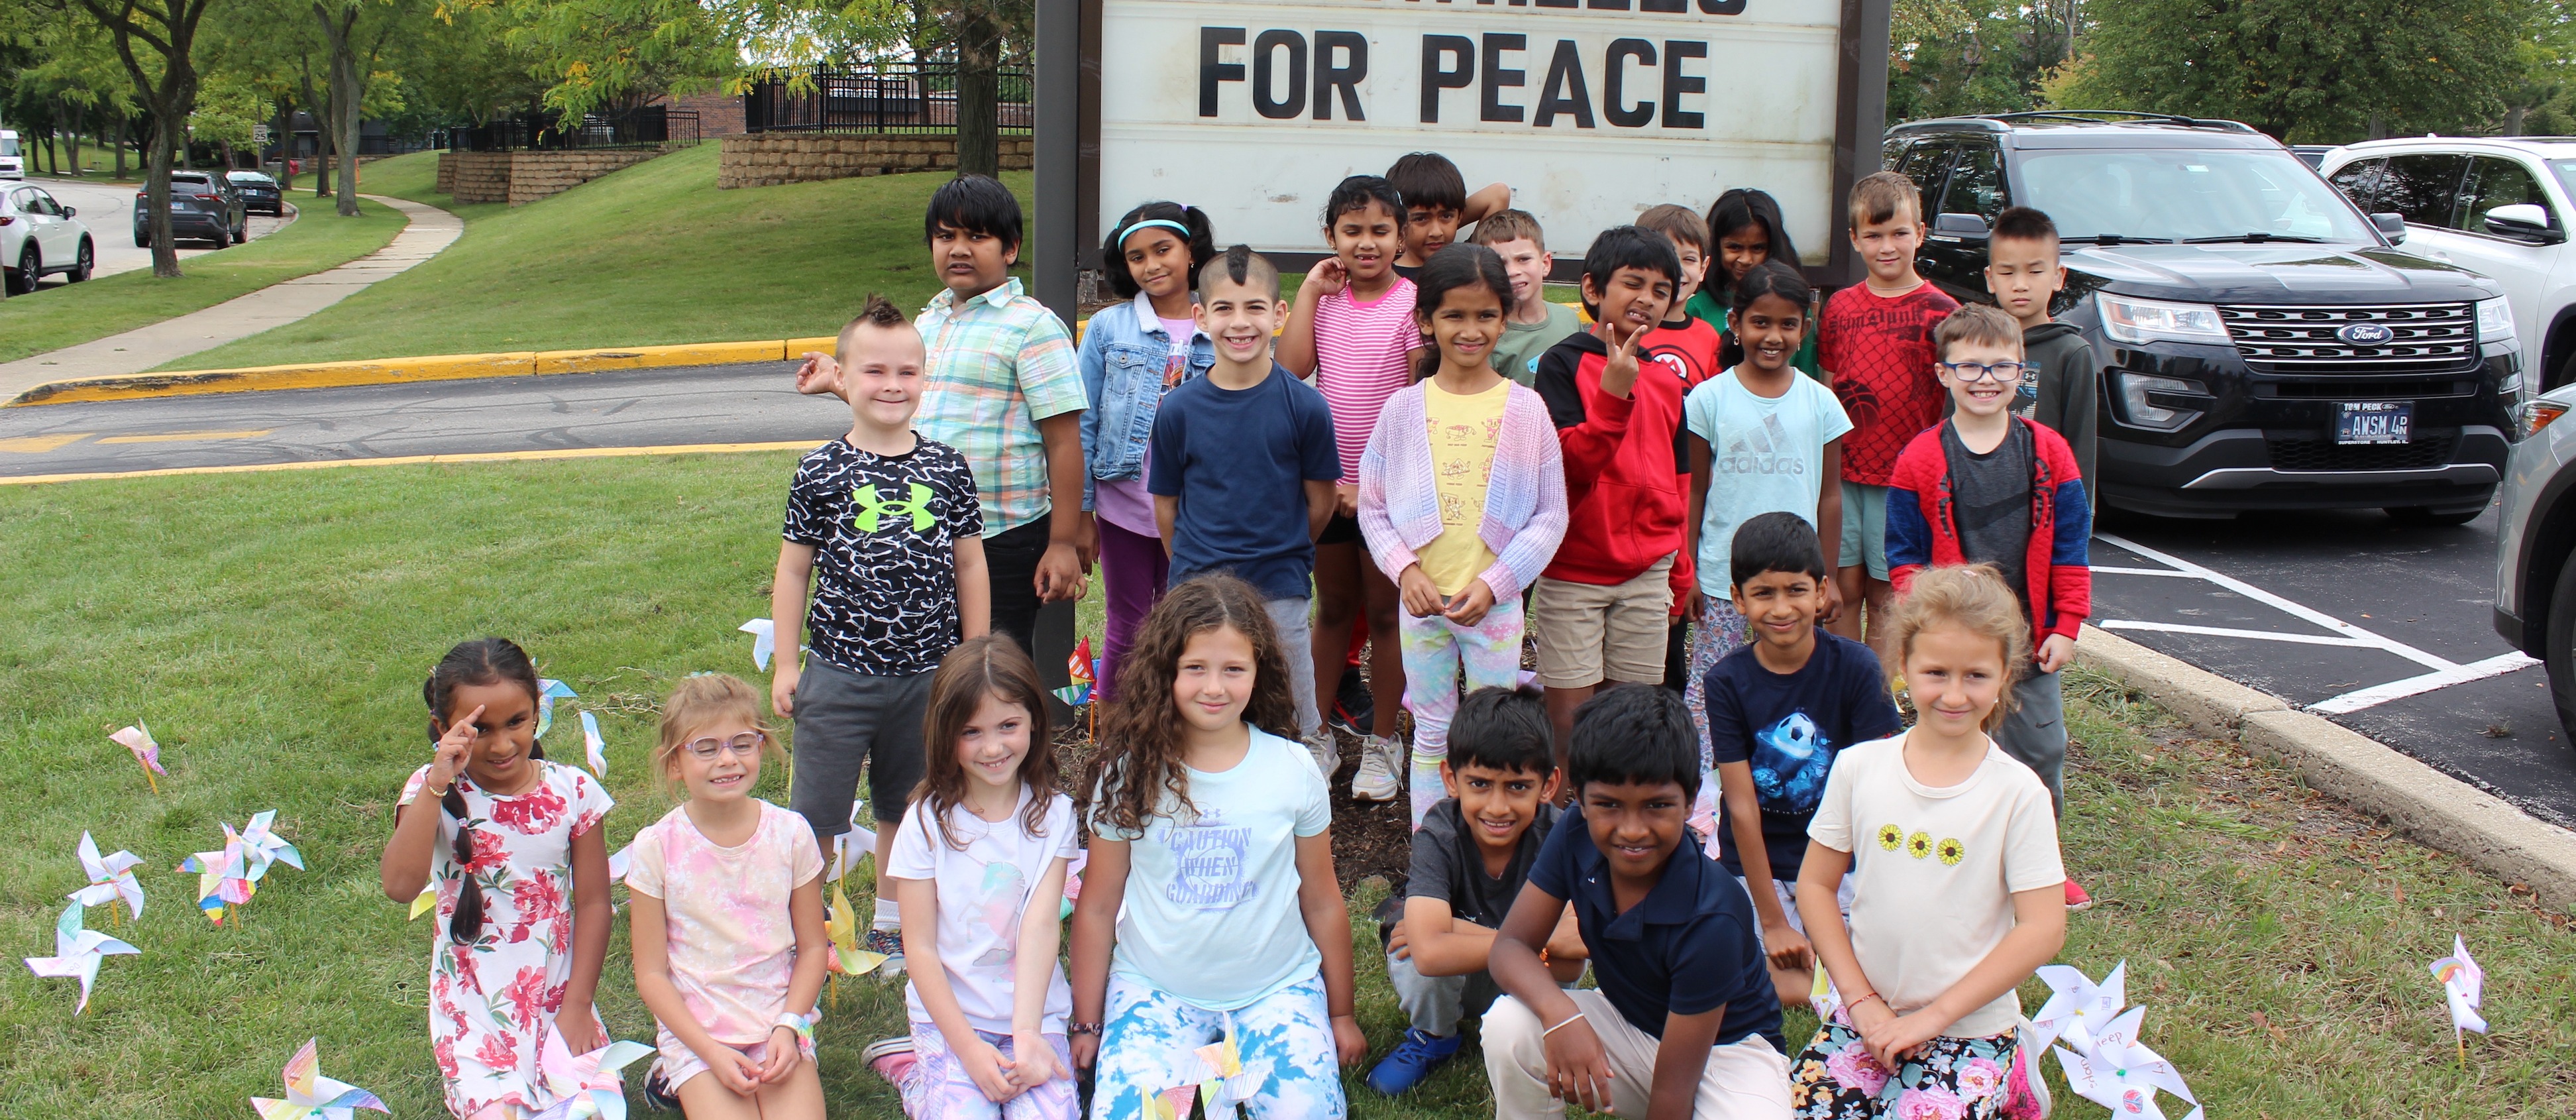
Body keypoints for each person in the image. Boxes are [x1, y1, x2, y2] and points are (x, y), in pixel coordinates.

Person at [1067, 576, 1366, 1117]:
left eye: (1234, 669)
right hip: (1155, 994)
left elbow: (1322, 899)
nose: (1215, 687)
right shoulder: (1129, 776)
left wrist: (1340, 1014)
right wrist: (1088, 1022)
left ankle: (1243, 1073)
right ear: (1167, 672)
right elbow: (1098, 904)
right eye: (1195, 669)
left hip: (1276, 991)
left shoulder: (1293, 770)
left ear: (1259, 672)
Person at [1786, 565, 2067, 1119]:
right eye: (1937, 672)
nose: (1955, 694)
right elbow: (1815, 886)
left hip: (1969, 1028)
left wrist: (1931, 1020)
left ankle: (2009, 1073)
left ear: (2005, 675)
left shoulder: (2018, 795)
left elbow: (2043, 928)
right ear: (1904, 667)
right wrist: (1861, 1003)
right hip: (1866, 1016)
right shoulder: (1860, 768)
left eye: (1976, 676)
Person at [773, 294, 991, 970]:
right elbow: (792, 571)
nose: (892, 385)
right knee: (818, 814)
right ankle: (815, 931)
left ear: (925, 379)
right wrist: (788, 664)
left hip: (928, 675)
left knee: (911, 802)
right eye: (874, 371)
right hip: (838, 671)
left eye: (907, 372)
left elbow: (971, 563)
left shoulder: (948, 467)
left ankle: (894, 926)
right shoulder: (820, 469)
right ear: (843, 376)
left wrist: (975, 656)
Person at [1481, 685, 1790, 1120]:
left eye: (1656, 805)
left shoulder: (1712, 912)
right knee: (1510, 1025)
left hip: (1729, 1056)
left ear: (1690, 800)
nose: (1631, 830)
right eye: (1608, 804)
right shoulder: (1574, 834)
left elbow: (1673, 1092)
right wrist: (1561, 1016)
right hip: (1632, 1023)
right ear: (1581, 799)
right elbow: (1510, 947)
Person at [1886, 303, 2093, 911]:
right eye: (1969, 365)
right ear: (1943, 373)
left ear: (2021, 371)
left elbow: (2073, 545)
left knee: (2041, 753)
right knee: (1956, 750)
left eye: (2001, 365)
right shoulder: (1919, 459)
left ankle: (2042, 867)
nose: (1985, 378)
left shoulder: (2050, 453)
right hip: (1957, 645)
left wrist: (2069, 624)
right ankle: (1962, 860)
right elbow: (1903, 557)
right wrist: (1926, 627)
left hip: (2030, 641)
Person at [1358, 243, 1569, 825]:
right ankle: (1434, 847)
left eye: (1485, 316)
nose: (1470, 330)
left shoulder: (1526, 411)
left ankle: (1486, 844)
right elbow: (1373, 507)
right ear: (1426, 321)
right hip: (1421, 606)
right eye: (1454, 315)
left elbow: (1551, 515)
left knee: (1490, 732)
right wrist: (1405, 570)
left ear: (1505, 318)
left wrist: (1498, 582)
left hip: (1493, 611)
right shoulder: (1402, 410)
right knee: (1430, 732)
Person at [380, 638, 615, 1120]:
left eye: (516, 722)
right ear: (444, 729)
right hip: (471, 1002)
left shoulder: (573, 791)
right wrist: (436, 783)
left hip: (557, 992)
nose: (503, 744)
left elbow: (593, 903)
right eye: (480, 729)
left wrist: (578, 1006)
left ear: (537, 712)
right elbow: (400, 886)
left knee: (586, 1111)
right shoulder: (431, 792)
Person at [862, 635, 1081, 1119]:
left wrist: (1027, 1035)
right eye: (972, 732)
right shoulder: (925, 821)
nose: (993, 747)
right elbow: (917, 947)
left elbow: (1041, 925)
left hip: (1034, 1015)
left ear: (1035, 722)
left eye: (1008, 725)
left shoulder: (1056, 815)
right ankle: (919, 1075)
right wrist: (968, 1049)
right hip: (950, 1020)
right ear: (944, 732)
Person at [1699, 514, 1902, 1011]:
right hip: (1756, 867)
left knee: (1882, 956)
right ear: (1739, 598)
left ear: (1821, 591)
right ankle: (1808, 969)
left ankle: (1827, 968)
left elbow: (1881, 786)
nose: (1782, 608)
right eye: (1764, 593)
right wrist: (1771, 920)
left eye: (1796, 590)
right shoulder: (1726, 681)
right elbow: (1741, 805)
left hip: (1841, 861)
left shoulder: (1857, 667)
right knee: (1728, 955)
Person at [1149, 245, 1341, 759]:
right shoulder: (1178, 411)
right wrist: (1190, 567)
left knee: (1292, 705)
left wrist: (1288, 549)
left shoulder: (1305, 407)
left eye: (1255, 307)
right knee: (1203, 701)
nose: (1240, 323)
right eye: (1225, 309)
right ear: (1200, 317)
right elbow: (1166, 506)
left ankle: (1307, 762)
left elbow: (1319, 504)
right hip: (1198, 585)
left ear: (1279, 314)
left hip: (1279, 582)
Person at [1364, 685, 1585, 1096]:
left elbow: (1573, 963)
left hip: (1526, 980)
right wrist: (1538, 942)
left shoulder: (1563, 837)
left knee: (1421, 933)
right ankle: (1435, 1037)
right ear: (1451, 778)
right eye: (1480, 784)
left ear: (1549, 784)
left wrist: (1453, 929)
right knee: (1410, 952)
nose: (1497, 807)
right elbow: (1429, 954)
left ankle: (1535, 1030)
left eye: (1518, 786)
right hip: (1472, 974)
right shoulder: (1440, 831)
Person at [627, 674, 828, 1120]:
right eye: (705, 747)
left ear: (761, 746)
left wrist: (789, 1027)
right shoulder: (656, 848)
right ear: (674, 763)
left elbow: (815, 948)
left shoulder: (791, 834)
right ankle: (675, 1075)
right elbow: (652, 975)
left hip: (778, 1022)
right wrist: (709, 1053)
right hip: (699, 1035)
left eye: (742, 742)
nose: (727, 759)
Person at [1277, 175, 1421, 794]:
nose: (1367, 243)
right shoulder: (1327, 300)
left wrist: (1377, 484)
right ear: (1330, 235)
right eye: (1352, 230)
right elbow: (1292, 368)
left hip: (1390, 489)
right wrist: (1310, 289)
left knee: (1386, 615)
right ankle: (1315, 735)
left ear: (1400, 237)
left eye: (1380, 231)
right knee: (1332, 607)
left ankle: (1383, 744)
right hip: (1328, 485)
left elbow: (1419, 397)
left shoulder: (1414, 302)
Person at [1681, 260, 1851, 767]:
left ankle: (1778, 777)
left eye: (1786, 324)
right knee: (1713, 683)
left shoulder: (1821, 403)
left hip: (1797, 583)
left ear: (1806, 326)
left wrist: (1830, 578)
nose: (1772, 335)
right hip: (1721, 579)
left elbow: (1830, 497)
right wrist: (1688, 567)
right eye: (1760, 322)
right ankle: (1707, 789)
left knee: (1789, 683)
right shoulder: (1709, 399)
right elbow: (1694, 490)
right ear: (1735, 323)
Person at [914, 174, 1091, 655]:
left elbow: (1064, 441)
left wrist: (1062, 542)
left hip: (1004, 534)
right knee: (931, 662)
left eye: (977, 236)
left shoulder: (1032, 326)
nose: (959, 249)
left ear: (1010, 248)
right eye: (946, 236)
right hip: (924, 527)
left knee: (995, 667)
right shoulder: (925, 323)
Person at [1530, 226, 1688, 757]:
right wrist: (1613, 394)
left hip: (1647, 573)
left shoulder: (1667, 382)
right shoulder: (1563, 363)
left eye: (1661, 290)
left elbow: (1679, 479)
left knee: (1629, 721)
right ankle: (1559, 822)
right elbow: (1569, 465)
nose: (1647, 299)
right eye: (1633, 284)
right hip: (1574, 569)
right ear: (1595, 289)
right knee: (1571, 723)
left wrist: (1679, 568)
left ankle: (1611, 827)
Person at [1080, 201, 1218, 701]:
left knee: (1192, 622)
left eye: (1163, 250)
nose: (1152, 265)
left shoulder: (1220, 324)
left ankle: (1176, 723)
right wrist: (1081, 511)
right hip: (1124, 508)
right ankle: (1119, 735)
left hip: (1197, 508)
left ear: (1191, 252)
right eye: (1137, 257)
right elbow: (1085, 419)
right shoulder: (1108, 328)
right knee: (1129, 623)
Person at [1819, 171, 1959, 665]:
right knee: (1841, 586)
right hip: (1842, 475)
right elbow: (1828, 385)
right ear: (1855, 239)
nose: (1887, 246)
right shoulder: (1839, 308)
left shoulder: (1944, 314)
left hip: (1905, 479)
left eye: (1899, 233)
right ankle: (1838, 696)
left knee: (1888, 591)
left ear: (1920, 234)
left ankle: (1876, 702)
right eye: (1874, 235)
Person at [1636, 203, 1727, 695]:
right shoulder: (1623, 330)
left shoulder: (1707, 337)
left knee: (1678, 602)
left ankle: (1674, 707)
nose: (1678, 268)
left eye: (1688, 258)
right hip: (1638, 487)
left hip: (1689, 487)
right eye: (1666, 255)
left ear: (1704, 268)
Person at [1979, 206, 2098, 486]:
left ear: (2058, 277)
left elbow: (2082, 446)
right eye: (2007, 273)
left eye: (2034, 271)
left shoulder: (2071, 354)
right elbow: (1951, 428)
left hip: (2043, 509)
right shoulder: (1973, 346)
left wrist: (2079, 518)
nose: (2021, 285)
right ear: (1990, 278)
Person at [1691, 190, 1823, 381]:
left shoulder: (1796, 311)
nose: (1746, 259)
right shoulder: (1696, 308)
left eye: (1758, 248)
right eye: (1734, 247)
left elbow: (1808, 379)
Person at [1472, 209, 1584, 386]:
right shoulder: (1489, 337)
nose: (1513, 272)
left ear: (1545, 264)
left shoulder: (1568, 319)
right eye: (1500, 263)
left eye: (1523, 259)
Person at [1387, 151, 1511, 274]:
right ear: (1400, 221)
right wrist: (1400, 235)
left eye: (1446, 216)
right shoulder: (1387, 278)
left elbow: (1499, 194)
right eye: (1421, 219)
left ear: (1460, 216)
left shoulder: (1468, 264)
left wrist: (1454, 218)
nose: (1436, 232)